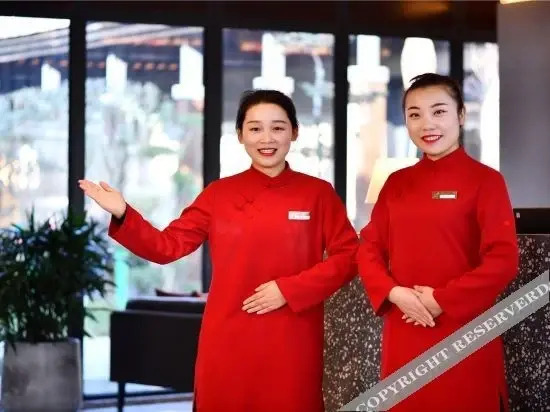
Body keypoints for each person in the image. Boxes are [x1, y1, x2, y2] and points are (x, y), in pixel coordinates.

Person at [79, 89, 358, 412]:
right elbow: (167, 246)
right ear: (240, 135)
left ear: (294, 132)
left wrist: (289, 289)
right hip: (227, 341)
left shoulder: (318, 194)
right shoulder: (218, 195)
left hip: (293, 340)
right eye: (255, 128)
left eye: (278, 127)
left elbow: (348, 256)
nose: (267, 138)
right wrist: (123, 213)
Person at [357, 73, 518, 412]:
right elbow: (369, 247)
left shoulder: (486, 181)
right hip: (405, 326)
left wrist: (442, 299)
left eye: (439, 111)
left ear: (461, 115)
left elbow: (503, 259)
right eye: (415, 114)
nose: (427, 124)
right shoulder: (396, 183)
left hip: (464, 330)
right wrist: (393, 292)